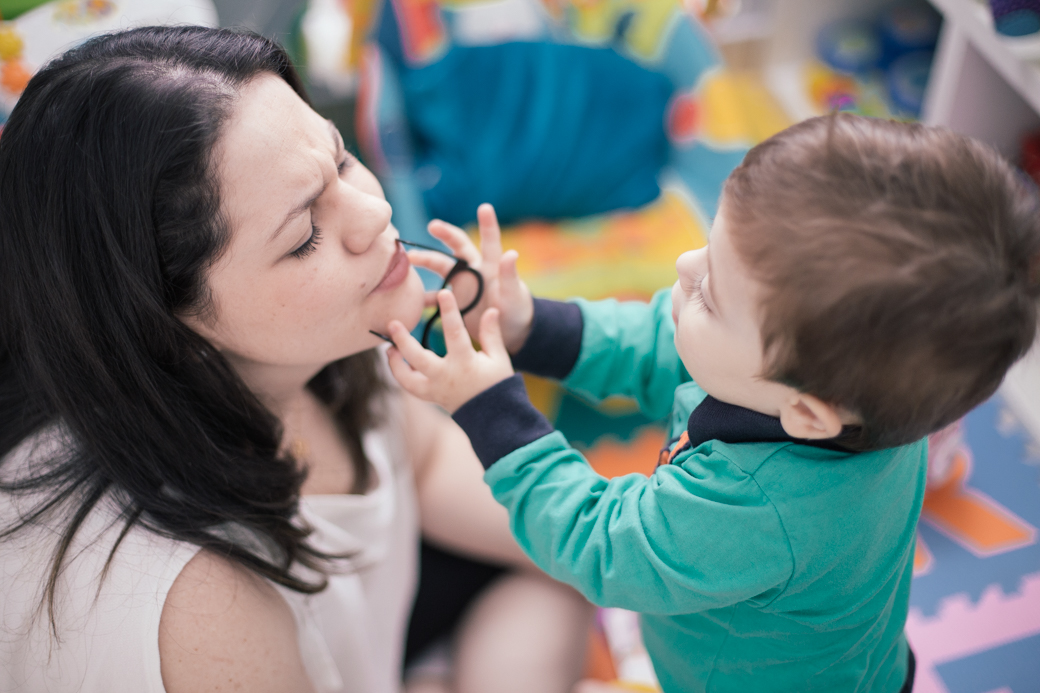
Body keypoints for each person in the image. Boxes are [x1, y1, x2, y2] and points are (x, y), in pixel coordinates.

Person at [0, 26, 593, 693]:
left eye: (340, 161)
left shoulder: (330, 341)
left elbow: (439, 468)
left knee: (558, 579)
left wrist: (636, 549)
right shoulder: (201, 603)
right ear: (169, 326)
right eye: (305, 234)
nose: (374, 211)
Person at [385, 114, 1040, 692]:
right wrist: (531, 325)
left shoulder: (762, 506)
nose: (682, 264)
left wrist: (490, 408)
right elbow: (656, 345)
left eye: (712, 294)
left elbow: (602, 544)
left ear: (808, 413)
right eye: (709, 246)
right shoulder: (844, 397)